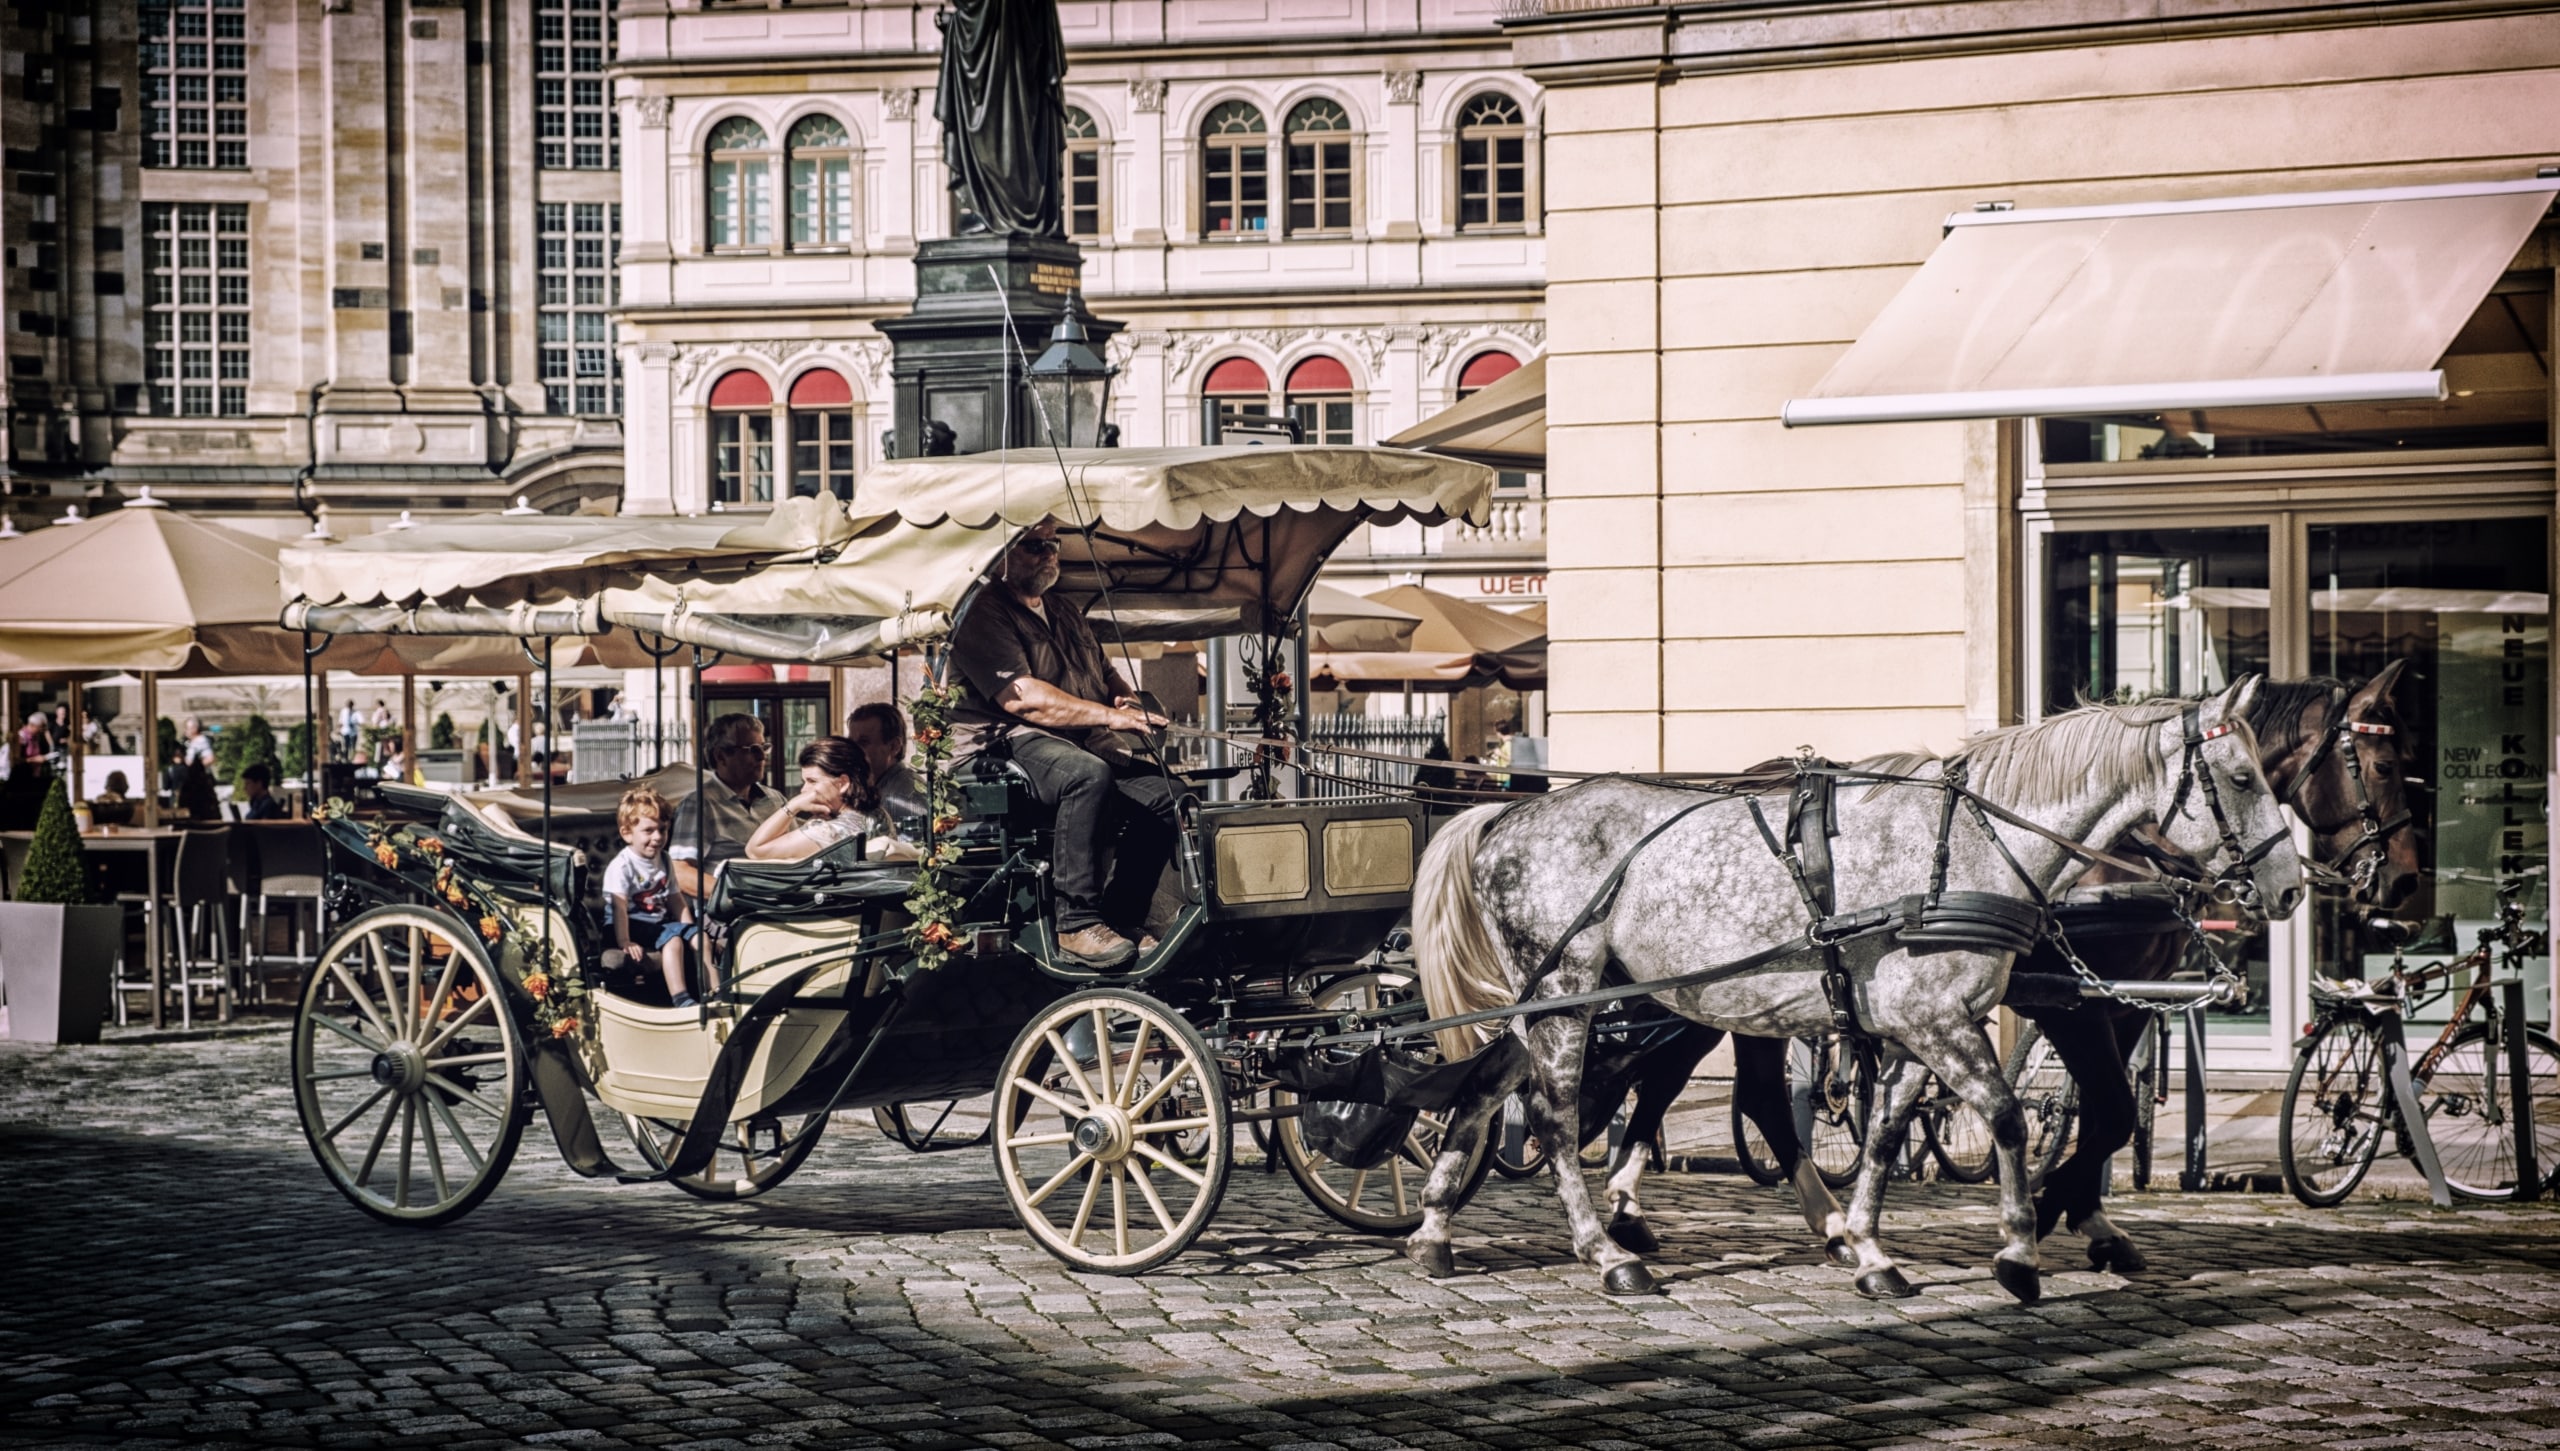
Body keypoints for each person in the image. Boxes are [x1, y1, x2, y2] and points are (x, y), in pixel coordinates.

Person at [948, 519, 1175, 968]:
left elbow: (1104, 673)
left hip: (1074, 741)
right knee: (1086, 776)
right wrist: (1111, 717)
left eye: (1054, 544)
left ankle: (1124, 916)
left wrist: (1123, 699)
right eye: (1035, 546)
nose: (1049, 553)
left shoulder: (1066, 610)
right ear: (1002, 555)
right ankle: (1075, 923)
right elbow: (1024, 699)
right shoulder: (981, 611)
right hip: (999, 743)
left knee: (1168, 796)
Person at [669, 712, 779, 900]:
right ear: (721, 756)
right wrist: (745, 897)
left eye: (763, 747)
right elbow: (680, 873)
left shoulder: (775, 800)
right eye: (751, 749)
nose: (762, 757)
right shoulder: (700, 804)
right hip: (734, 913)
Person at [606, 787, 696, 1008]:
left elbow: (676, 899)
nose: (657, 837)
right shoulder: (622, 865)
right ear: (627, 833)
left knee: (699, 937)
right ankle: (680, 998)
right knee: (673, 940)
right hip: (628, 925)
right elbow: (619, 908)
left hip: (657, 924)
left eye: (662, 830)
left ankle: (714, 993)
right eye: (648, 831)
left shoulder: (664, 859)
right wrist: (624, 941)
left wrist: (691, 929)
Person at [745, 737, 879, 863]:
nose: (804, 790)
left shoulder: (829, 830)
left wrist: (792, 806)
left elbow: (755, 850)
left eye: (812, 781)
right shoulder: (877, 814)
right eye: (804, 781)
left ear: (842, 783)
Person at [846, 701, 929, 827]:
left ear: (894, 747)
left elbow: (911, 845)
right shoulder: (879, 789)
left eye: (863, 742)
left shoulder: (901, 798)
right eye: (851, 743)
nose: (853, 750)